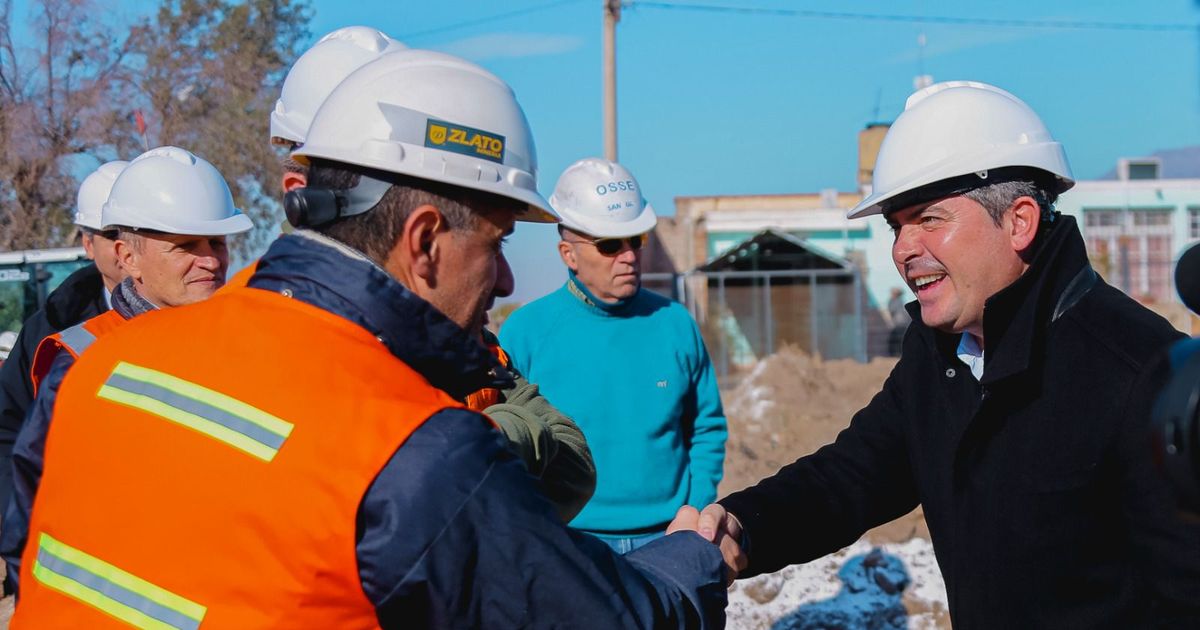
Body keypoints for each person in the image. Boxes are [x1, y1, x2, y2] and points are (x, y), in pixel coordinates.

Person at [12, 49, 726, 628]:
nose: (507, 279)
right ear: (424, 240)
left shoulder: (102, 364)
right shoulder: (414, 452)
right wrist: (690, 561)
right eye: (499, 240)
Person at [699, 81, 1200, 627]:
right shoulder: (939, 354)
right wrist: (742, 526)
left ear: (1020, 221)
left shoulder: (1146, 376)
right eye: (896, 226)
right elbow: (853, 476)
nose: (903, 249)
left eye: (928, 219)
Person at [259, 26, 595, 521]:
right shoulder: (270, 350)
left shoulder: (459, 336)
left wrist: (490, 438)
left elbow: (572, 465)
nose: (506, 281)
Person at [1, 145, 251, 594]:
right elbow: (32, 526)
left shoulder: (255, 345)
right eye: (186, 246)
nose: (211, 261)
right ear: (127, 256)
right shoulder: (79, 360)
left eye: (218, 242)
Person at [501, 157, 728, 553]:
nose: (628, 256)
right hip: (569, 544)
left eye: (636, 240)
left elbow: (706, 427)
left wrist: (694, 508)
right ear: (567, 254)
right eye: (609, 245)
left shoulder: (675, 323)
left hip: (670, 538)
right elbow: (506, 444)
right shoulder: (525, 332)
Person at [0, 160, 128, 522]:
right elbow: (8, 431)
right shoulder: (48, 332)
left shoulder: (207, 320)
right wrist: (20, 520)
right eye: (113, 234)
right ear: (88, 244)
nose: (127, 246)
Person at [886, 286, 910, 356]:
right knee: (897, 340)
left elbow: (892, 311)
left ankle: (897, 354)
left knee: (897, 340)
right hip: (900, 324)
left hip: (899, 324)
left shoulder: (894, 301)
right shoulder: (898, 301)